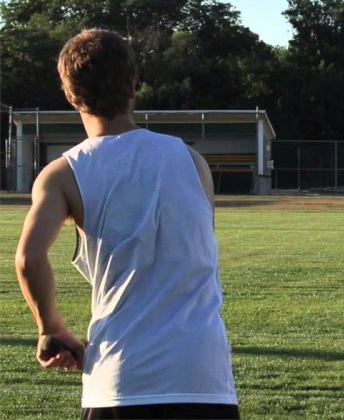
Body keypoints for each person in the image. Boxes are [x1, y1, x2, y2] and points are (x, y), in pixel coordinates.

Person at [14, 29, 239, 419]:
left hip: (120, 379)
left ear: (70, 95)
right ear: (133, 86)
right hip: (205, 376)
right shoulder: (192, 162)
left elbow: (29, 259)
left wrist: (49, 327)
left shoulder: (63, 174)